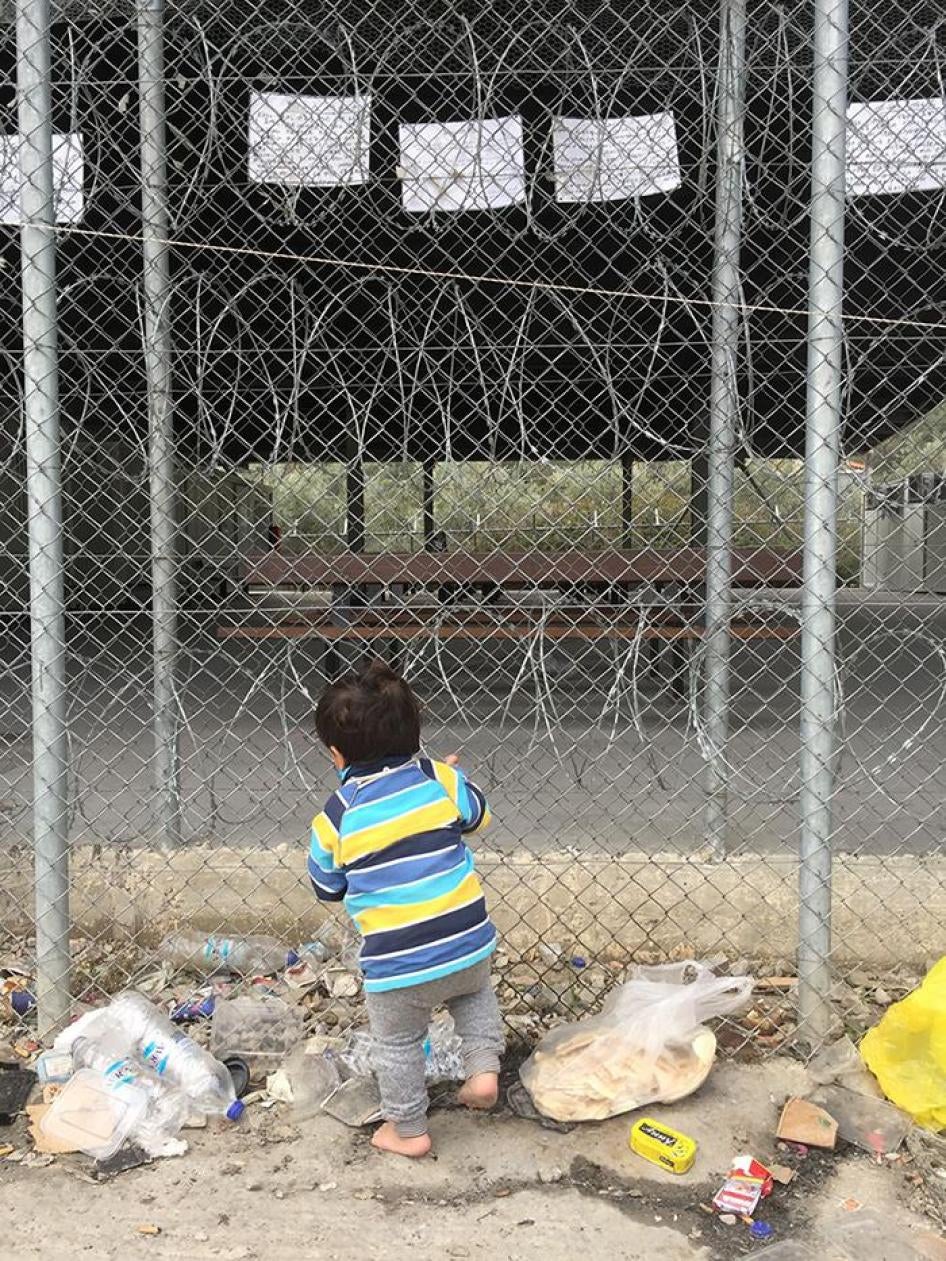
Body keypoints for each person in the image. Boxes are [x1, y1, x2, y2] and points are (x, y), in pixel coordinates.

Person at [307, 659, 504, 1157]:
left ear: (335, 754)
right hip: (467, 941)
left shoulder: (335, 816)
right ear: (416, 734)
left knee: (397, 1045)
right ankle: (483, 1071)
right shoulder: (437, 777)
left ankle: (409, 1131)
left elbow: (326, 887)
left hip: (397, 964)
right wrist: (452, 781)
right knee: (474, 994)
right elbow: (476, 818)